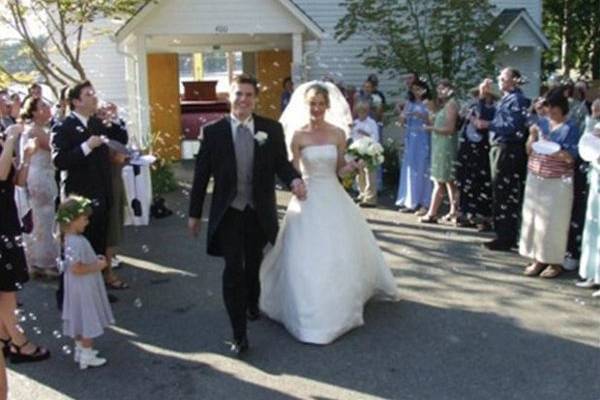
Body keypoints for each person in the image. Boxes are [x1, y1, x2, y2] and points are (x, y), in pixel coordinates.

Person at [259, 82, 399, 345]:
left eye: (321, 104)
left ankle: (340, 303)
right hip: (308, 197)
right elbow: (293, 172)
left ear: (327, 106)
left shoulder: (337, 134)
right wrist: (296, 185)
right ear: (307, 105)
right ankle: (306, 310)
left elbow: (338, 169)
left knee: (339, 251)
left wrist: (357, 163)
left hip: (333, 195)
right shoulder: (298, 136)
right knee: (304, 254)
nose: (317, 109)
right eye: (313, 104)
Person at [188, 74, 307, 356]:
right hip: (229, 211)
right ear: (230, 97)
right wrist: (194, 214)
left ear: (256, 98)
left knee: (253, 264)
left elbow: (281, 164)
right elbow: (201, 175)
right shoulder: (213, 131)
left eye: (249, 95)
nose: (243, 100)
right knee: (233, 268)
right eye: (238, 94)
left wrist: (294, 180)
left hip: (258, 210)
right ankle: (239, 334)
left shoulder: (271, 129)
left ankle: (253, 301)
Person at [0, 124, 50, 365]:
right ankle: (19, 342)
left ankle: (4, 337)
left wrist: (27, 158)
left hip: (7, 218)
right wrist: (11, 139)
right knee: (5, 290)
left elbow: (14, 181)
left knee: (6, 287)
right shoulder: (6, 138)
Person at [519, 87, 581, 278]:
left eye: (554, 109)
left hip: (558, 181)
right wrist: (532, 136)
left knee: (553, 222)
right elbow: (529, 150)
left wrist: (555, 151)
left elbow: (572, 157)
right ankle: (537, 257)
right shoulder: (541, 123)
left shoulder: (571, 128)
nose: (550, 113)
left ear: (563, 109)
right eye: (548, 109)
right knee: (533, 218)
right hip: (536, 176)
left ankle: (554, 261)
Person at [475, 68, 530, 251]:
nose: (499, 80)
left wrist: (489, 125)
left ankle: (506, 236)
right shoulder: (505, 99)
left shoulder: (518, 100)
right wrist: (482, 99)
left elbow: (513, 126)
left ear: (514, 80)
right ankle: (502, 233)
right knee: (497, 191)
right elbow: (485, 117)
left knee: (505, 192)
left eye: (503, 78)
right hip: (498, 147)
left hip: (508, 149)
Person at [57, 195, 114, 369]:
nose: (87, 222)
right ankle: (87, 356)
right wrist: (98, 265)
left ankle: (80, 350)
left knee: (78, 318)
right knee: (87, 319)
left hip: (75, 287)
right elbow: (77, 268)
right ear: (72, 221)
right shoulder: (76, 242)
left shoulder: (68, 238)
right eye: (84, 219)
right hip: (83, 287)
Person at [20, 97, 60, 278]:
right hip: (40, 176)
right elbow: (54, 147)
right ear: (34, 112)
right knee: (45, 218)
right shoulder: (35, 130)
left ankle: (38, 260)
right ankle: (45, 262)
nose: (47, 108)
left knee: (42, 218)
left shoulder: (39, 129)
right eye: (42, 106)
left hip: (43, 174)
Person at [455, 80, 496, 229]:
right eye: (476, 95)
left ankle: (483, 217)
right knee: (465, 181)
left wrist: (472, 116)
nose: (477, 97)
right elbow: (458, 126)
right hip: (467, 148)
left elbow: (481, 124)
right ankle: (465, 213)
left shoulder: (492, 109)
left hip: (481, 150)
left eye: (481, 95)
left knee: (480, 183)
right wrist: (462, 116)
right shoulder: (472, 106)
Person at [420, 79, 459, 223]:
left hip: (445, 146)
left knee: (441, 180)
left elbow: (450, 129)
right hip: (440, 145)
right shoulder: (445, 105)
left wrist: (431, 129)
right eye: (438, 89)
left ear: (449, 89)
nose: (439, 91)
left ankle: (432, 213)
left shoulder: (451, 105)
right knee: (448, 181)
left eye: (442, 88)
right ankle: (454, 211)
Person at [395, 78, 432, 214]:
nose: (416, 92)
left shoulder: (428, 103)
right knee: (410, 168)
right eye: (414, 89)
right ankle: (410, 201)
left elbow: (432, 121)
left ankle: (424, 202)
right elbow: (401, 121)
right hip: (411, 137)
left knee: (422, 168)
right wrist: (401, 113)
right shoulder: (409, 103)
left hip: (423, 137)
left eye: (419, 89)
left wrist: (422, 116)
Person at [576, 111, 600, 295]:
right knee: (593, 226)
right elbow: (588, 144)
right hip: (596, 178)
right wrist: (593, 116)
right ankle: (592, 274)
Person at [351, 101, 380, 207]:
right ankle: (362, 194)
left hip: (369, 150)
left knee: (370, 174)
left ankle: (370, 198)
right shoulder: (355, 122)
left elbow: (375, 137)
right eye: (359, 112)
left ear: (367, 112)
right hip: (358, 150)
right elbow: (352, 136)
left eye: (363, 111)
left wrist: (365, 134)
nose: (361, 114)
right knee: (360, 174)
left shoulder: (371, 123)